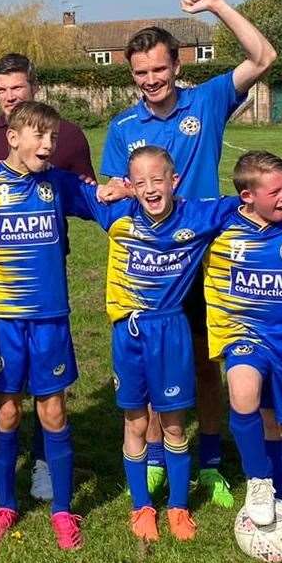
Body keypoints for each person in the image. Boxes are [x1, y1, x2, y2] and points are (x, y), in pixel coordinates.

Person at [100, 0, 276, 507]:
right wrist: (123, 188)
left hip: (211, 255)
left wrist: (218, 6)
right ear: (131, 75)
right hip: (156, 264)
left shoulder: (209, 99)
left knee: (204, 363)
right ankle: (155, 459)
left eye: (159, 69)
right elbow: (114, 195)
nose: (151, 80)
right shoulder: (122, 126)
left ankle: (213, 462)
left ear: (177, 65)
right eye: (140, 73)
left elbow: (263, 56)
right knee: (156, 363)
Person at [0, 52, 96, 502]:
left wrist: (128, 189)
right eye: (41, 137)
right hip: (0, 317)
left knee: (52, 407)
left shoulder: (59, 180)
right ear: (11, 137)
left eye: (53, 137)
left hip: (50, 315)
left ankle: (59, 501)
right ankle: (3, 501)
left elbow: (104, 202)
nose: (50, 145)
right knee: (6, 409)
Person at [84, 146, 240, 542]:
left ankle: (178, 507)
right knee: (135, 421)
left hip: (172, 331)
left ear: (175, 181)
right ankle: (141, 507)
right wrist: (104, 190)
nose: (151, 189)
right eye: (141, 183)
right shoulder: (118, 214)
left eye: (158, 180)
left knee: (172, 422)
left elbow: (254, 196)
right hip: (129, 332)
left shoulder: (197, 216)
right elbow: (67, 186)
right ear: (130, 186)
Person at [203, 151, 282, 526]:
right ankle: (257, 482)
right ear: (247, 197)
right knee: (243, 394)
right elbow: (169, 213)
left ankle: (279, 497)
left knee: (275, 425)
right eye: (275, 191)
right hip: (240, 334)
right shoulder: (220, 223)